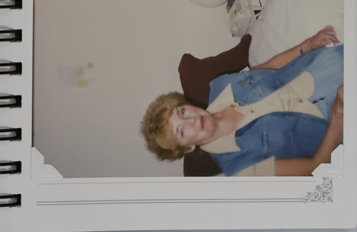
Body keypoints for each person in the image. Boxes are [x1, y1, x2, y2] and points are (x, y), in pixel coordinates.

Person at [141, 26, 344, 176]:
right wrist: (338, 119)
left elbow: (271, 67)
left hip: (328, 63)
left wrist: (307, 45)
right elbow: (313, 167)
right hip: (338, 124)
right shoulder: (240, 167)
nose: (191, 121)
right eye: (182, 131)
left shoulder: (220, 86)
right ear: (188, 148)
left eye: (182, 112)